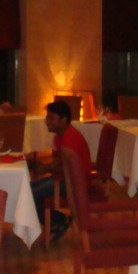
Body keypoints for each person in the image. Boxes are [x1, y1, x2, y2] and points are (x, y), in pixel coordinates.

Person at [31, 100, 92, 242]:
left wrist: (45, 168)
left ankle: (59, 220)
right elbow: (60, 164)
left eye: (51, 118)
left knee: (30, 194)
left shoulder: (71, 138)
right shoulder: (60, 136)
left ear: (63, 120)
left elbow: (68, 170)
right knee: (28, 189)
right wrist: (45, 167)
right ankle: (57, 221)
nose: (47, 122)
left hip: (76, 184)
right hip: (65, 179)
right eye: (47, 118)